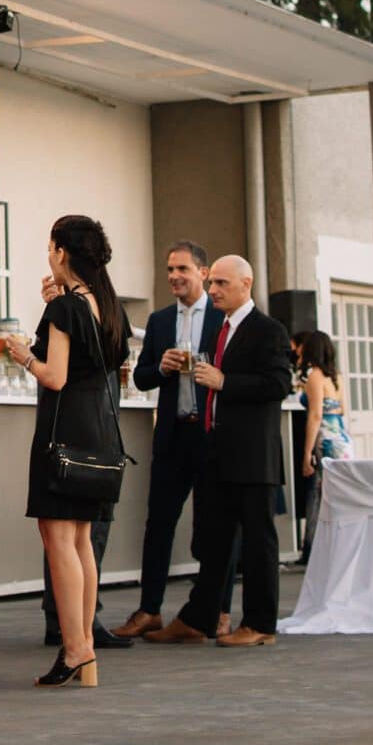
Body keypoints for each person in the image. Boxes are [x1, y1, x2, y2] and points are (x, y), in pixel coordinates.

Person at [2, 215, 130, 688]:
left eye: (50, 247)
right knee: (81, 540)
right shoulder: (109, 305)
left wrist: (23, 355)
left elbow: (54, 376)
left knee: (58, 539)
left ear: (61, 252)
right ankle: (85, 648)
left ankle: (75, 647)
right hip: (99, 431)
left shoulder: (65, 309)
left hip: (63, 430)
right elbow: (103, 365)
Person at [148, 254, 291, 649]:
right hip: (218, 451)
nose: (213, 291)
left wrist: (225, 381)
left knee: (258, 542)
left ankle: (260, 623)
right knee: (213, 541)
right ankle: (199, 618)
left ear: (246, 284)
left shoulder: (268, 331)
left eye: (222, 284)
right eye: (212, 283)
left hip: (253, 455)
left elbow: (278, 384)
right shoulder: (220, 329)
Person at [112, 240, 220, 640]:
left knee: (212, 527)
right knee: (158, 524)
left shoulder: (221, 317)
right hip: (173, 435)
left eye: (182, 269)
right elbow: (140, 379)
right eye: (170, 269)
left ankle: (216, 611)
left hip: (210, 435)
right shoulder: (158, 321)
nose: (174, 276)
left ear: (203, 273)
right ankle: (149, 610)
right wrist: (161, 366)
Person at [295, 328, 352, 553]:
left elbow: (315, 415)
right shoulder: (336, 376)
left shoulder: (315, 376)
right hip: (341, 435)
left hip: (325, 436)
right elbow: (343, 409)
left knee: (321, 489)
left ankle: (317, 546)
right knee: (339, 489)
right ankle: (339, 542)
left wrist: (306, 453)